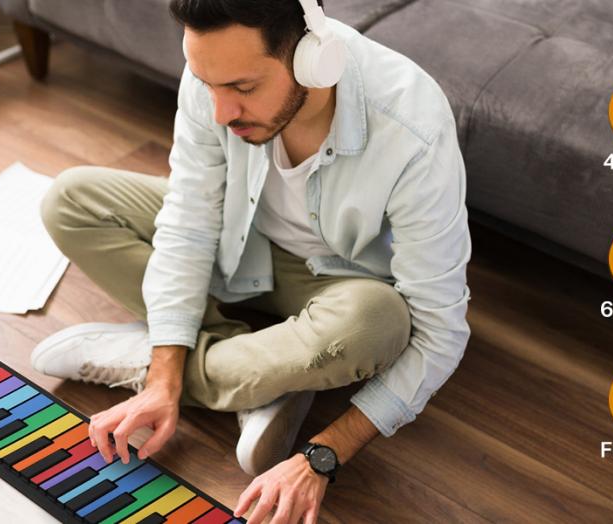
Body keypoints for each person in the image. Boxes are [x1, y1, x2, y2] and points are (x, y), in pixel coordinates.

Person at [32, 0, 471, 521]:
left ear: (313, 60)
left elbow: (441, 331)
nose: (220, 112)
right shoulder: (214, 75)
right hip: (236, 242)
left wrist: (321, 456)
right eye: (207, 83)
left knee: (380, 322)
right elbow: (190, 222)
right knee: (70, 199)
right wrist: (164, 379)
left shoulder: (413, 126)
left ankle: (153, 359)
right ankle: (250, 379)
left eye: (243, 89)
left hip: (337, 285)